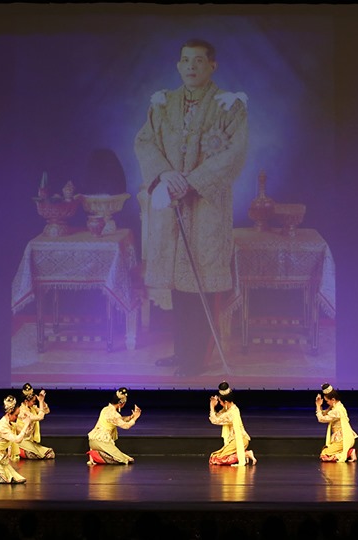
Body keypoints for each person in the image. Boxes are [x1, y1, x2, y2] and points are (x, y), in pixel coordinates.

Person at [134, 38, 249, 377]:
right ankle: (182, 352)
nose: (191, 67)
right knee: (179, 284)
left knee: (200, 282)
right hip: (172, 204)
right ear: (178, 65)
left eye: (199, 61)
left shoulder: (229, 106)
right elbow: (145, 142)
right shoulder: (163, 103)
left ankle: (196, 359)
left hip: (206, 207)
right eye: (186, 60)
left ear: (212, 65)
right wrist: (165, 174)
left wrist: (192, 181)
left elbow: (235, 154)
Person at [87, 388, 142, 465]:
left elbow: (119, 420)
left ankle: (96, 452)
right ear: (121, 404)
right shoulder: (114, 414)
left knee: (128, 458)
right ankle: (98, 455)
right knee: (123, 460)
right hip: (102, 442)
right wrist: (135, 417)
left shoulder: (105, 409)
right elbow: (126, 426)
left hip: (92, 442)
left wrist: (131, 417)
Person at [208, 381, 256, 466]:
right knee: (214, 456)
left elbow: (214, 420)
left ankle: (246, 454)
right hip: (236, 440)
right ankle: (244, 453)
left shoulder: (231, 413)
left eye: (220, 401)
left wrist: (212, 406)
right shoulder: (232, 409)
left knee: (216, 459)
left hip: (240, 440)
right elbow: (218, 416)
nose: (220, 403)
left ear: (226, 402)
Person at [315, 383, 357, 463]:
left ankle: (349, 452)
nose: (327, 403)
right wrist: (319, 406)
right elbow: (324, 413)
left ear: (333, 400)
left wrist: (317, 406)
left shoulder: (337, 410)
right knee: (327, 450)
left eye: (327, 401)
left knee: (324, 454)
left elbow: (321, 419)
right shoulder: (338, 406)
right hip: (344, 438)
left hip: (343, 440)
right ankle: (348, 452)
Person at [17, 383, 54, 459]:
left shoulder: (32, 408)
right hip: (21, 441)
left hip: (30, 441)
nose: (34, 403)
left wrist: (42, 401)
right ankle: (18, 450)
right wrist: (40, 401)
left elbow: (46, 411)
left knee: (50, 453)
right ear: (26, 401)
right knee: (34, 455)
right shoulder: (22, 411)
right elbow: (40, 417)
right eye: (33, 401)